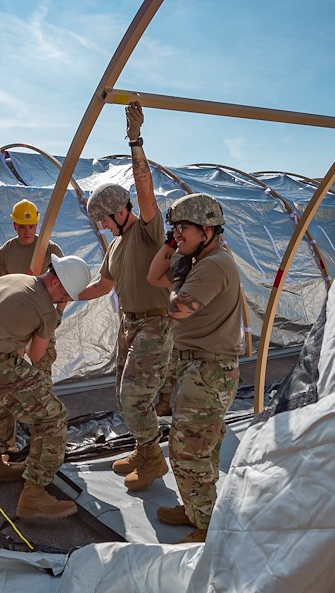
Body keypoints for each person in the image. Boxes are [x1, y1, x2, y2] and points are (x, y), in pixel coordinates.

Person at [77, 102, 174, 492]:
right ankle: (142, 448)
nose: (101, 226)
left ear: (119, 211)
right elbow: (103, 286)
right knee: (124, 393)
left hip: (155, 323)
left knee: (135, 395)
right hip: (130, 324)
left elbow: (145, 190)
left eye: (103, 218)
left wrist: (135, 141)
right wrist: (61, 296)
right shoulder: (116, 246)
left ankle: (153, 459)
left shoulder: (148, 231)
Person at [0, 255, 92, 518]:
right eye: (65, 295)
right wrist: (56, 314)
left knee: (1, 409)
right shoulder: (45, 309)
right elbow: (37, 355)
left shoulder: (11, 279)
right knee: (53, 416)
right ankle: (34, 494)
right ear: (55, 282)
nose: (63, 300)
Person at [147, 193, 241, 543]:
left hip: (208, 370)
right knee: (201, 448)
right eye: (174, 229)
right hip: (200, 369)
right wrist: (173, 246)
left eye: (183, 228)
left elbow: (178, 310)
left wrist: (177, 283)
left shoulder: (214, 264)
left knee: (189, 451)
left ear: (207, 230)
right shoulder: (198, 262)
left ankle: (206, 529)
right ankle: (197, 510)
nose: (177, 234)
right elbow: (154, 275)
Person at [0, 199, 65, 376]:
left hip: (42, 319)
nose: (27, 232)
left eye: (31, 227)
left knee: (42, 368)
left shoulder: (51, 250)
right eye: (23, 227)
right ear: (14, 226)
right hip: (15, 320)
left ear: (37, 225)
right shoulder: (4, 253)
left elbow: (66, 287)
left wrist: (57, 314)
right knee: (11, 371)